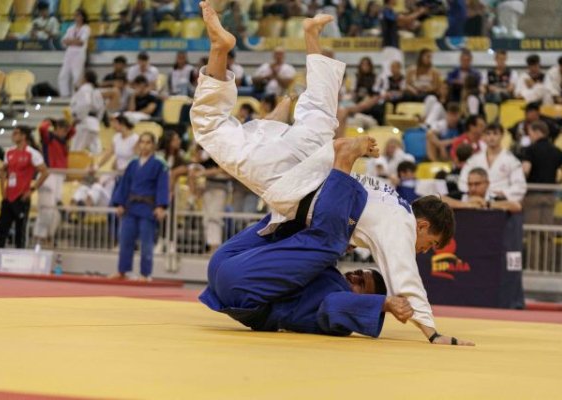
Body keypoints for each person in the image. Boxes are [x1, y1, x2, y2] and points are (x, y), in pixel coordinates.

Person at [191, 2, 471, 345]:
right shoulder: (402, 226)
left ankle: (311, 35)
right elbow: (405, 277)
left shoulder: (389, 196)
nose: (424, 250)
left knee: (319, 112)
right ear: (424, 225)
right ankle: (220, 50)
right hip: (299, 183)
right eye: (430, 245)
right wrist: (433, 332)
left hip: (312, 162)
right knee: (210, 126)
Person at [201, 137, 419, 339]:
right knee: (287, 221)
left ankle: (342, 162)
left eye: (361, 283)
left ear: (366, 300)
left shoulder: (340, 309)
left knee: (329, 241)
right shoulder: (329, 275)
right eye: (359, 273)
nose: (353, 276)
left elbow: (334, 305)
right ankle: (280, 151)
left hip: (242, 287)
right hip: (224, 265)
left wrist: (385, 305)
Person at [110, 132, 169, 280]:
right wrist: (120, 203)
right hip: (130, 206)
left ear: (153, 145)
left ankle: (145, 273)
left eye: (148, 142)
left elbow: (162, 186)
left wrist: (161, 206)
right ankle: (123, 271)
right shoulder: (132, 164)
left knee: (146, 243)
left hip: (148, 208)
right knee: (125, 240)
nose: (144, 145)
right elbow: (124, 185)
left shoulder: (159, 164)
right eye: (142, 142)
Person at [0, 126, 49, 250]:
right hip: (8, 196)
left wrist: (32, 189)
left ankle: (20, 258)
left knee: (20, 231)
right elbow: (4, 170)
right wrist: (3, 190)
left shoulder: (32, 153)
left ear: (24, 136)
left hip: (21, 197)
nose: (13, 135)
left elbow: (45, 172)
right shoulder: (9, 152)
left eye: (16, 133)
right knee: (2, 230)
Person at [458, 122, 526, 202]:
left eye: (495, 134)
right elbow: (462, 181)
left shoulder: (511, 160)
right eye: (488, 134)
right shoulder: (474, 159)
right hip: (475, 201)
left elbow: (520, 186)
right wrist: (474, 192)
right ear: (483, 137)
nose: (491, 137)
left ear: (502, 136)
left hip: (500, 202)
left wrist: (503, 193)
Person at [34, 119, 75, 244]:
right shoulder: (49, 138)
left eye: (65, 131)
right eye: (62, 130)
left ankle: (48, 236)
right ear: (56, 129)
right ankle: (39, 236)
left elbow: (73, 131)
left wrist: (69, 124)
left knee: (56, 210)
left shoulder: (63, 142)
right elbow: (42, 128)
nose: (64, 133)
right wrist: (50, 122)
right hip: (49, 174)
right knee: (46, 208)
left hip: (59, 176)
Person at [522, 120, 562, 225]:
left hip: (533, 193)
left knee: (533, 229)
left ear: (537, 132)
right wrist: (558, 183)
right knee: (547, 229)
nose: (530, 137)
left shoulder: (530, 150)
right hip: (550, 193)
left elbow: (525, 170)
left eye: (530, 134)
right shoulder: (557, 151)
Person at [445, 167, 522, 212]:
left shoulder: (494, 198)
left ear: (487, 183)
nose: (473, 188)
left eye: (477, 184)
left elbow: (516, 206)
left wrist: (486, 204)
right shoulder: (461, 196)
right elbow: (438, 199)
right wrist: (467, 205)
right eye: (470, 184)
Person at [70, 70, 105, 154]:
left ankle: (76, 166)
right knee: (96, 150)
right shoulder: (96, 91)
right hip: (94, 122)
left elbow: (85, 103)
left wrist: (79, 118)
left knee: (76, 149)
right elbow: (102, 108)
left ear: (85, 79)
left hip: (84, 122)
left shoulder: (84, 89)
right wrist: (97, 120)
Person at [58, 9, 90, 97]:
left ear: (82, 17)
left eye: (78, 15)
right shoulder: (71, 28)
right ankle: (65, 95)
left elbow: (81, 42)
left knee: (77, 76)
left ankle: (76, 96)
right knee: (63, 75)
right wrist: (74, 41)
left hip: (79, 54)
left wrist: (70, 41)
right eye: (75, 16)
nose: (76, 18)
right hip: (69, 54)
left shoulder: (86, 28)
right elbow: (63, 41)